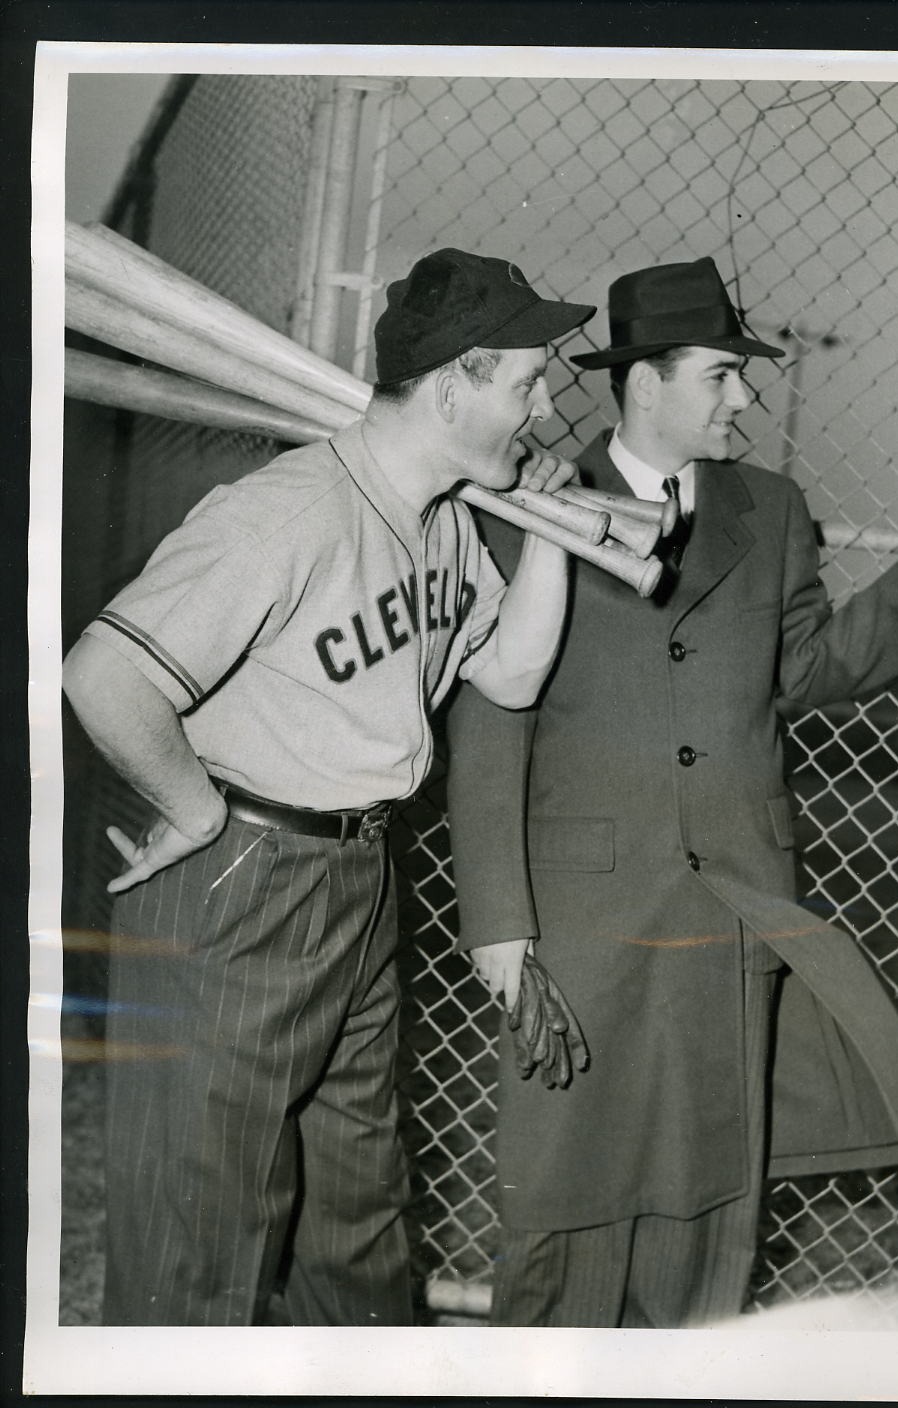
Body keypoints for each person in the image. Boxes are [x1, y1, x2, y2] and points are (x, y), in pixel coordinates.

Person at [446, 256, 898, 1328]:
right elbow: (491, 720)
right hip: (584, 915)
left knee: (712, 1191)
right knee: (566, 1191)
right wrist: (498, 921)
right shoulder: (531, 506)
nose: (743, 398)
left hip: (731, 903)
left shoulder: (772, 509)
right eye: (720, 374)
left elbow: (803, 668)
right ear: (645, 381)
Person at [61, 247, 594, 1327]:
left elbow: (513, 671)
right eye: (528, 383)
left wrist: (552, 531)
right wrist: (198, 808)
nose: (542, 409)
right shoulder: (289, 512)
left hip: (358, 873)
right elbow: (104, 674)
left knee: (356, 1222)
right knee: (200, 1237)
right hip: (243, 876)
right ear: (455, 386)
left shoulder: (443, 518)